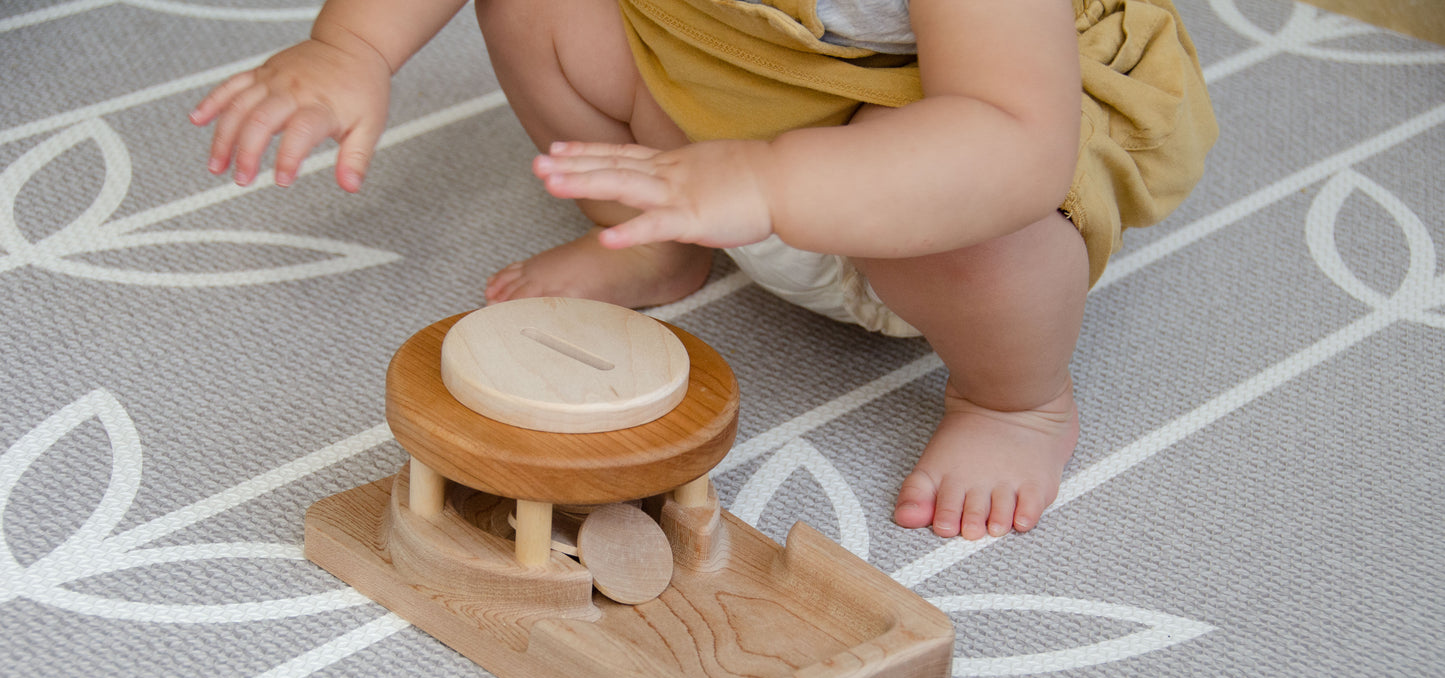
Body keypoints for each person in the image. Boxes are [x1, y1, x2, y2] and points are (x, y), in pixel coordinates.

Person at [192, 0, 1217, 540]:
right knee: (534, 8)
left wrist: (770, 181)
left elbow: (1009, 142)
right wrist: (353, 45)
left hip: (922, 179)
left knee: (989, 240)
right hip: (712, 117)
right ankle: (659, 240)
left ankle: (1012, 401)